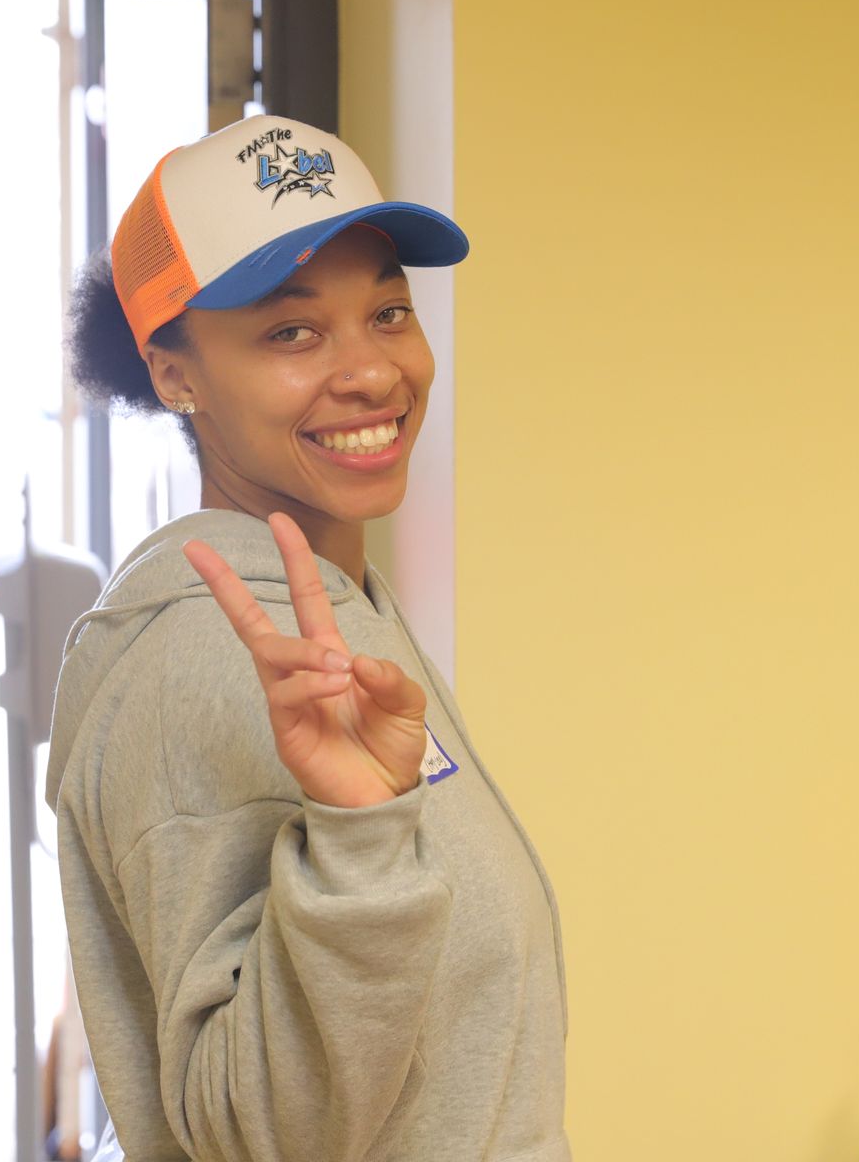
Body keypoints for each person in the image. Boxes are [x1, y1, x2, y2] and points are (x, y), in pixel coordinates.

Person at [45, 113, 569, 1161]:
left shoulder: (335, 602)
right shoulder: (204, 657)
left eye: (388, 310)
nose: (373, 371)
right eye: (291, 331)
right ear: (175, 373)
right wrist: (358, 834)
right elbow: (263, 1136)